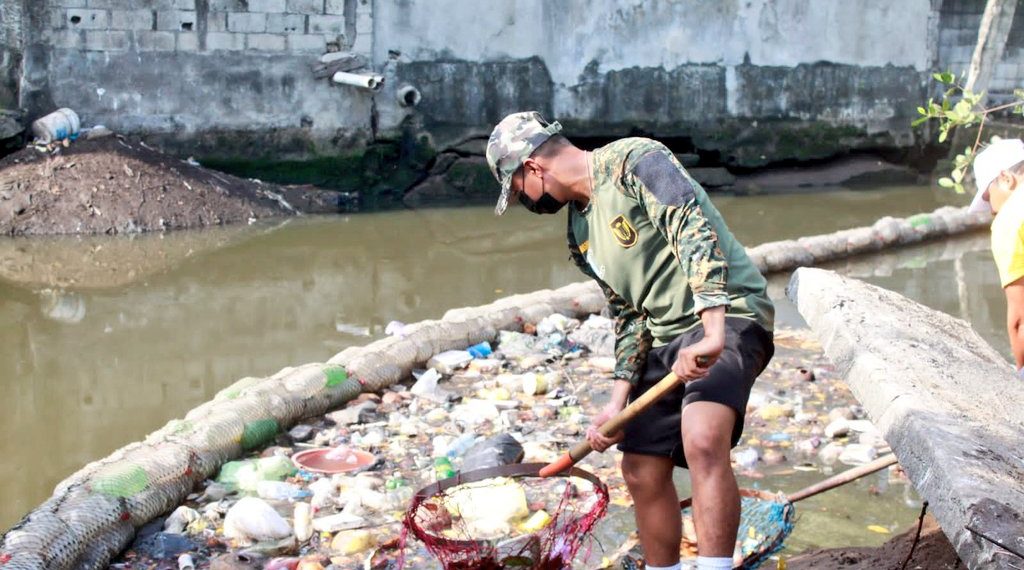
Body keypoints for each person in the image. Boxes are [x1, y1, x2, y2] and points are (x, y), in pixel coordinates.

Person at [485, 111, 775, 570]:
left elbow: (691, 227)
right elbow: (628, 314)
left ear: (533, 168)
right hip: (665, 337)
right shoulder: (579, 234)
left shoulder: (634, 160)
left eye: (519, 190)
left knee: (702, 438)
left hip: (731, 313)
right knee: (640, 469)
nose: (526, 201)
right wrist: (616, 402)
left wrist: (713, 331)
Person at [968, 138, 1024, 372]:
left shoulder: (1010, 218)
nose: (991, 210)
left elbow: (1020, 320)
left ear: (1005, 178)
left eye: (988, 197)